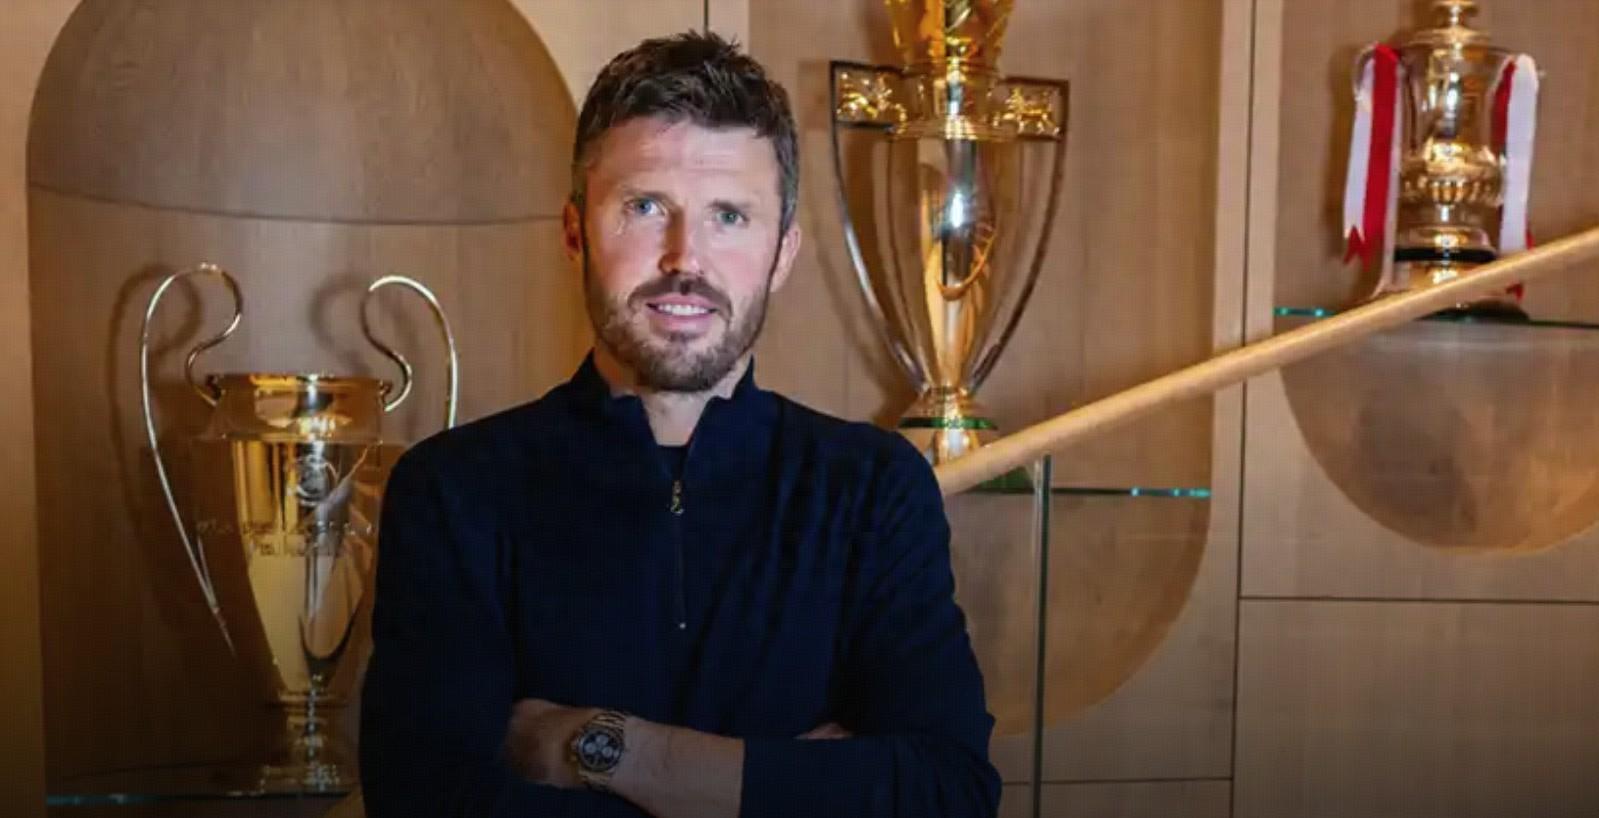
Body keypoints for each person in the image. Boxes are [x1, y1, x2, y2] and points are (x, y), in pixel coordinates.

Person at [359, 31, 1000, 818]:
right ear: (574, 235)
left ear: (782, 253)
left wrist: (614, 751)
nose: (683, 258)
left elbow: (946, 792)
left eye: (729, 215)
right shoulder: (453, 491)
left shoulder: (872, 489)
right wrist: (797, 786)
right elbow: (428, 803)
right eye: (644, 207)